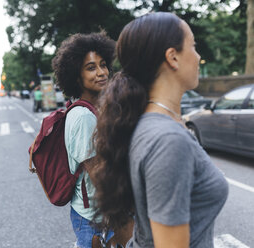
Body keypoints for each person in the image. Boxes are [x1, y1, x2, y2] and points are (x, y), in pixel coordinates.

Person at [92, 12, 229, 248]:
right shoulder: (167, 140)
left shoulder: (146, 122)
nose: (198, 56)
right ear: (173, 57)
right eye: (193, 46)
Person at [51, 32, 115, 248]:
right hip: (95, 216)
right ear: (76, 77)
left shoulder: (91, 109)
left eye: (103, 64)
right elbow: (97, 173)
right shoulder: (84, 116)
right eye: (91, 67)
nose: (101, 72)